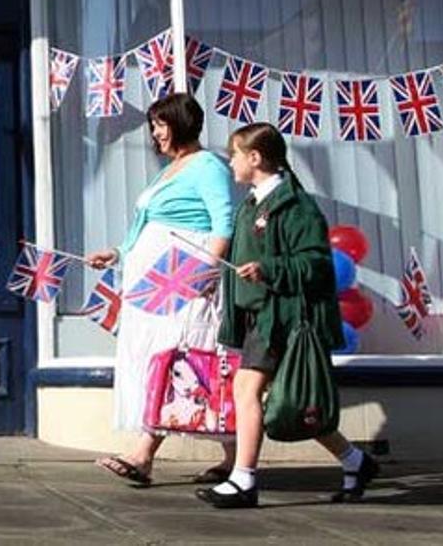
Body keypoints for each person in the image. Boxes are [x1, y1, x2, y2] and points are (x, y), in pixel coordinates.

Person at [197, 122, 379, 509]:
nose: (230, 163)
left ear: (255, 157)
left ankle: (243, 480)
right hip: (258, 317)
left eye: (234, 154)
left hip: (283, 318)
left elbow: (316, 263)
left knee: (246, 390)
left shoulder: (296, 206)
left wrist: (269, 269)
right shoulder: (252, 205)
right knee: (294, 401)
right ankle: (356, 461)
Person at [87, 93, 236, 486]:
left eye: (161, 125)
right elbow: (144, 227)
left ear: (181, 123)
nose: (155, 134)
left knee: (180, 357)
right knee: (157, 357)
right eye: (153, 126)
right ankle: (231, 454)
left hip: (184, 277)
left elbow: (224, 223)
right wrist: (117, 253)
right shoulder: (170, 169)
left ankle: (144, 453)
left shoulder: (207, 166)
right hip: (153, 283)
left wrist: (207, 272)